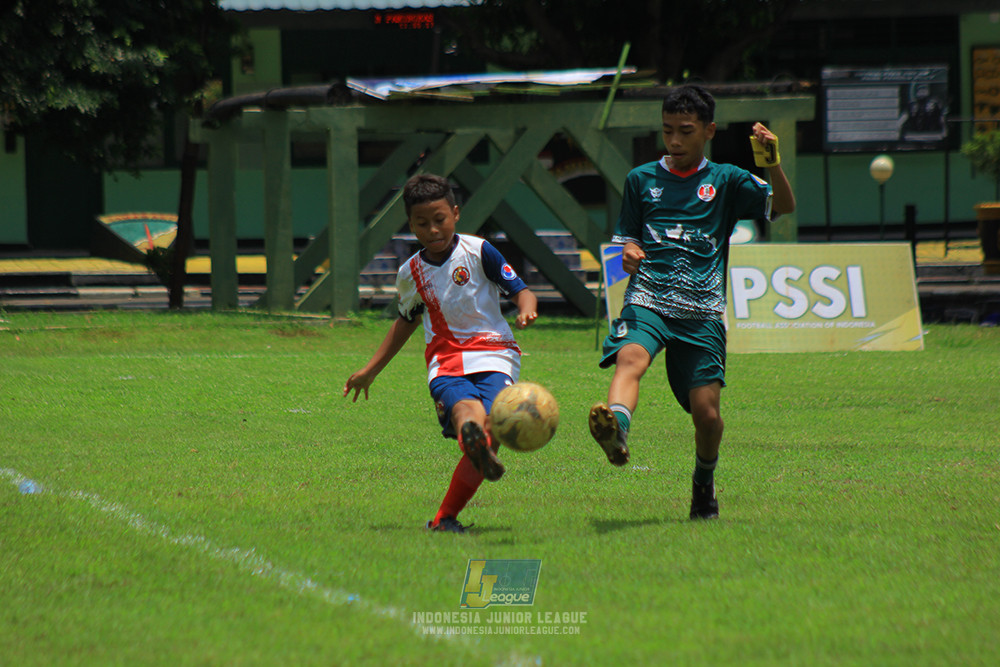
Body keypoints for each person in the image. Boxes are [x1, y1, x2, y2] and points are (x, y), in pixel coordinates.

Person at [588, 84, 796, 520]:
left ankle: (704, 483)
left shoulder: (726, 180)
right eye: (667, 132)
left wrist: (772, 162)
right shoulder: (641, 179)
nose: (675, 141)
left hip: (701, 311)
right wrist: (627, 251)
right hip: (649, 297)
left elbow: (785, 206)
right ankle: (617, 429)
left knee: (707, 415)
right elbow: (626, 236)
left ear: (709, 131)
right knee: (631, 358)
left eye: (685, 131)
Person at [343, 173, 539, 534]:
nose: (433, 230)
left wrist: (526, 308)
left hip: (496, 353)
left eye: (440, 220)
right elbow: (405, 321)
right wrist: (370, 370)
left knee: (490, 423)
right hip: (446, 360)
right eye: (422, 223)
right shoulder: (411, 272)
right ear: (411, 225)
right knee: (470, 412)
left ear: (455, 213)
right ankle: (467, 464)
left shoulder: (479, 251)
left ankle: (448, 508)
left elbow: (521, 290)